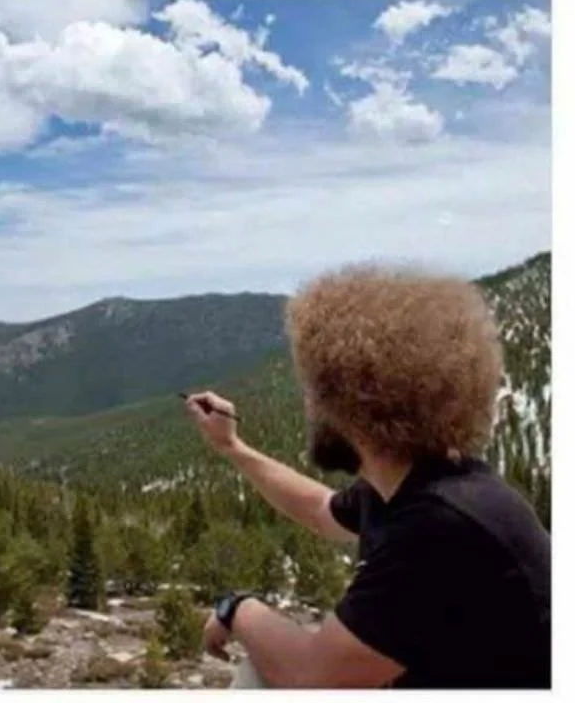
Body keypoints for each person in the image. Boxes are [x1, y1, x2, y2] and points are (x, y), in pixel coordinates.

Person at [185, 265, 550, 689]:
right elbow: (321, 509)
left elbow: (314, 677)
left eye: (316, 390)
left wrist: (236, 608)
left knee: (262, 677)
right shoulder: (422, 484)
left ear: (356, 406)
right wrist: (233, 447)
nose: (309, 405)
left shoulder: (441, 524)